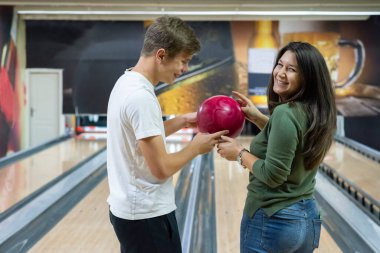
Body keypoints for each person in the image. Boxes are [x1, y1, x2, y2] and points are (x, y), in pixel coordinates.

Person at [106, 16, 228, 253]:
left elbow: (139, 138)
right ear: (161, 55)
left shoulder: (126, 82)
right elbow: (160, 168)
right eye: (183, 61)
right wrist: (196, 148)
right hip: (146, 216)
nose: (185, 69)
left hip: (130, 212)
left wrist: (183, 120)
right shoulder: (141, 97)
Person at [217, 42, 337, 253]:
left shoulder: (285, 113)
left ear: (307, 77)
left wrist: (239, 153)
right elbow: (291, 143)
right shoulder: (315, 112)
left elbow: (273, 175)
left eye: (291, 69)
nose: (280, 73)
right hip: (306, 218)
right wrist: (259, 119)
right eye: (280, 65)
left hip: (272, 219)